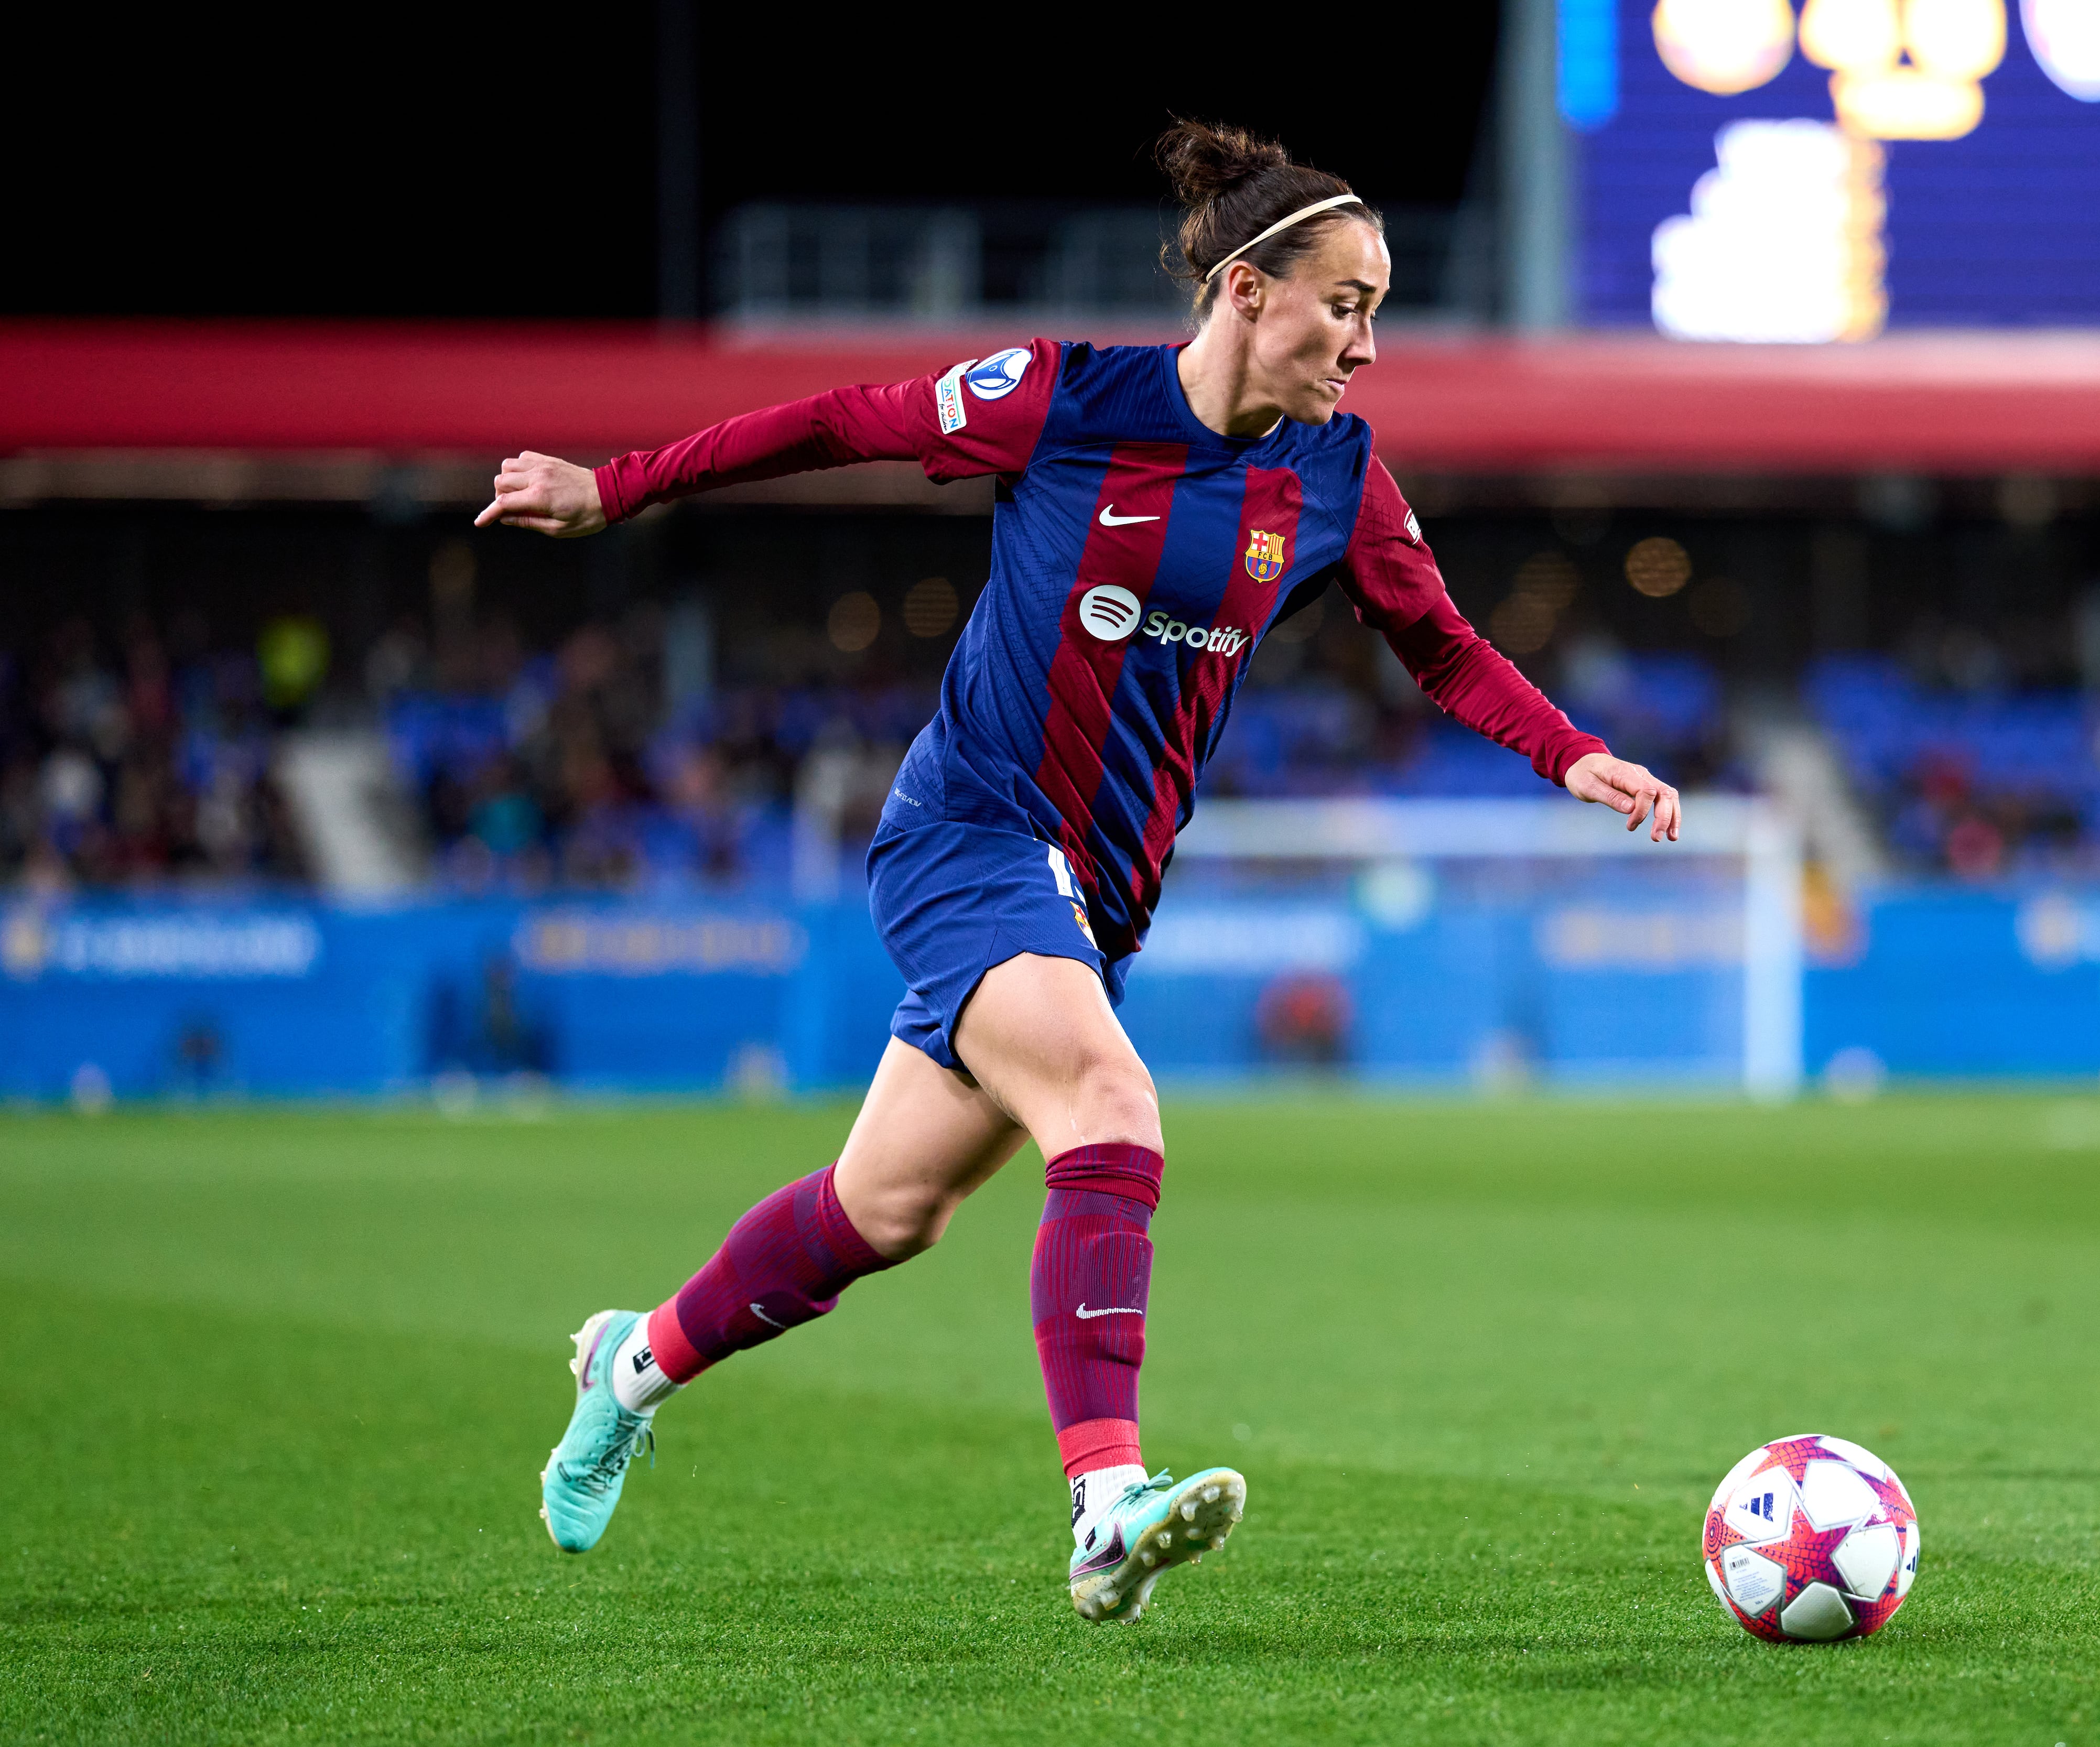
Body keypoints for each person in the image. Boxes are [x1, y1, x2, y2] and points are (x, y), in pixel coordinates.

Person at [474, 122, 1682, 1623]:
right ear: (1246, 291)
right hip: (967, 835)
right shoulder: (1064, 397)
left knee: (884, 1211)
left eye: (1378, 309)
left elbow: (1435, 639)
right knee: (1111, 1107)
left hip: (1095, 899)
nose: (1368, 345)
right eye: (1346, 304)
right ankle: (1106, 1504)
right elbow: (841, 419)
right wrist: (621, 486)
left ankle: (630, 1360)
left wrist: (1570, 751)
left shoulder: (1337, 475)